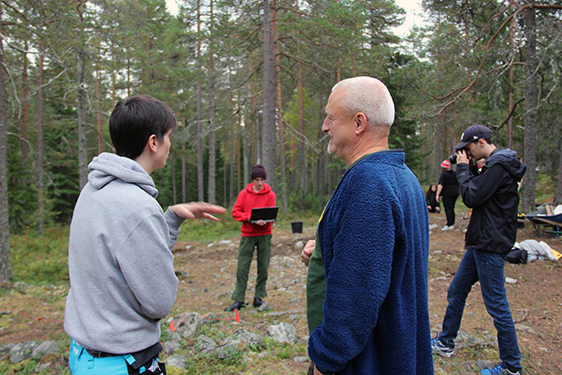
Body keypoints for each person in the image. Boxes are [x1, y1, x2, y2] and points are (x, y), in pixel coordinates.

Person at [64, 95, 227, 375]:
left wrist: (171, 219)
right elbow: (159, 301)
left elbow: (122, 256)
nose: (170, 144)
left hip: (85, 356)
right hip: (120, 363)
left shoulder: (93, 190)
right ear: (154, 142)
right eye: (169, 136)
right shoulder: (137, 206)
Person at [300, 76, 433, 375]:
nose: (324, 126)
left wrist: (326, 360)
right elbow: (386, 262)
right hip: (398, 352)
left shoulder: (368, 184)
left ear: (359, 123)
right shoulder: (403, 178)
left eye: (331, 117)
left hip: (370, 361)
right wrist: (328, 254)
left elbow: (357, 294)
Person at [431, 124, 526, 375]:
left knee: (497, 306)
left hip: (490, 244)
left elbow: (472, 196)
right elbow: (480, 193)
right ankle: (446, 342)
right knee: (457, 290)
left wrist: (463, 168)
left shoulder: (499, 165)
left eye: (468, 148)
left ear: (481, 142)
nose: (467, 153)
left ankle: (512, 366)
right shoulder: (493, 165)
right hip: (480, 242)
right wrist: (469, 167)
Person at [226, 164, 276, 312]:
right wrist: (250, 218)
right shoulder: (244, 194)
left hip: (265, 234)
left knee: (263, 267)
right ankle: (239, 299)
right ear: (252, 180)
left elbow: (271, 214)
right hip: (248, 235)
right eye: (256, 179)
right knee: (242, 267)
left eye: (262, 179)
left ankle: (258, 297)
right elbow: (235, 212)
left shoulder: (270, 195)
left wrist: (265, 221)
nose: (259, 183)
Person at [436, 159, 459, 230]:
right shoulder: (455, 173)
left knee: (448, 208)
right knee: (452, 208)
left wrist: (437, 194)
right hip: (455, 193)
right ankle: (452, 223)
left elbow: (441, 185)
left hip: (447, 193)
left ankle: (449, 224)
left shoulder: (444, 174)